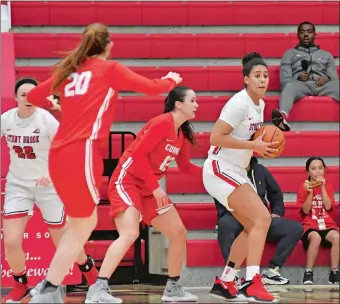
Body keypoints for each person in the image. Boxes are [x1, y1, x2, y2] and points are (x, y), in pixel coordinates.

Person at [26, 23, 182, 303]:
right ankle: (55, 289)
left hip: (58, 154)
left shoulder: (69, 72)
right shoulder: (109, 70)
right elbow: (150, 87)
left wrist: (56, 102)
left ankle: (48, 290)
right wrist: (171, 80)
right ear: (108, 46)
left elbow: (34, 96)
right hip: (81, 151)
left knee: (79, 226)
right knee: (83, 225)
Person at [85, 86, 201, 303]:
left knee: (178, 232)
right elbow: (137, 155)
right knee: (129, 233)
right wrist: (156, 188)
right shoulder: (161, 123)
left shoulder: (182, 133)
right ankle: (98, 289)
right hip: (126, 180)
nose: (197, 105)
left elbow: (185, 167)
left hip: (148, 188)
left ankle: (173, 288)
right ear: (178, 104)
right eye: (193, 100)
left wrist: (215, 173)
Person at [0, 78, 98, 303]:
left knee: (63, 241)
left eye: (33, 95)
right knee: (12, 241)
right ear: (15, 98)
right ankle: (21, 285)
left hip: (50, 186)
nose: (28, 99)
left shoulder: (47, 120)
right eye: (23, 95)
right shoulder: (6, 119)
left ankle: (91, 275)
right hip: (18, 185)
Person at [202, 52, 278, 302]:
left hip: (235, 170)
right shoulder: (239, 103)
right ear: (246, 79)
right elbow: (215, 138)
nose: (263, 80)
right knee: (263, 218)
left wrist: (263, 145)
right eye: (257, 76)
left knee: (253, 226)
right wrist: (253, 147)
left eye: (266, 75)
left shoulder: (260, 104)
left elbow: (250, 141)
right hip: (219, 168)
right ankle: (252, 281)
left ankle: (225, 281)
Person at [211, 156, 303, 294]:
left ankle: (272, 271)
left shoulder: (260, 171)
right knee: (224, 223)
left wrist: (277, 212)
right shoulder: (228, 172)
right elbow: (220, 196)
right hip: (235, 216)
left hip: (260, 218)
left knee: (295, 228)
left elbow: (276, 194)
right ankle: (231, 275)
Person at [273, 21, 339, 132]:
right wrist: (297, 77)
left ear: (315, 34)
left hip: (323, 86)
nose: (306, 35)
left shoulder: (326, 55)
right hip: (300, 85)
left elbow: (334, 78)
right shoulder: (289, 54)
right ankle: (282, 118)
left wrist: (326, 78)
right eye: (302, 32)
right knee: (289, 85)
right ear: (297, 35)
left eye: (309, 32)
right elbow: (284, 80)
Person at [297, 157, 339, 285]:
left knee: (337, 237)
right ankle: (308, 272)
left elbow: (327, 207)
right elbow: (305, 210)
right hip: (310, 225)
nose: (317, 171)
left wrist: (323, 188)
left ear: (324, 170)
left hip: (327, 224)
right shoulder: (303, 187)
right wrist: (310, 192)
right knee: (315, 237)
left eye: (320, 168)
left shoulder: (329, 186)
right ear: (307, 172)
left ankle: (334, 272)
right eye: (313, 168)